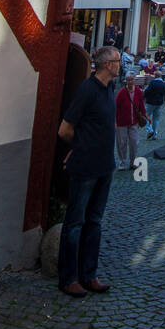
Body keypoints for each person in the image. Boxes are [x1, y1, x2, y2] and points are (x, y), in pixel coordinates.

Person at [56, 46, 120, 296]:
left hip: (105, 166)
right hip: (85, 168)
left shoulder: (110, 88)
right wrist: (80, 147)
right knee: (75, 223)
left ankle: (89, 274)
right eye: (116, 61)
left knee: (94, 221)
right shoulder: (87, 90)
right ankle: (68, 277)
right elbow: (65, 130)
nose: (120, 64)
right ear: (106, 65)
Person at [114, 72, 146, 170]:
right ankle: (122, 162)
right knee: (122, 143)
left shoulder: (138, 91)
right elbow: (115, 107)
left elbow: (141, 104)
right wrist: (115, 121)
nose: (130, 82)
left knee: (134, 142)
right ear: (126, 81)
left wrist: (145, 115)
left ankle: (133, 162)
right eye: (128, 80)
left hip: (134, 121)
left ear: (134, 80)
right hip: (122, 122)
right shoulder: (122, 92)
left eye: (132, 79)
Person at [143, 71, 165, 138]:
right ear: (161, 76)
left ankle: (150, 130)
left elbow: (147, 92)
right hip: (159, 103)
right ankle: (155, 134)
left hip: (150, 102)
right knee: (156, 119)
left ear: (155, 76)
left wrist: (143, 98)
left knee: (146, 116)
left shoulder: (152, 83)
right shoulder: (163, 84)